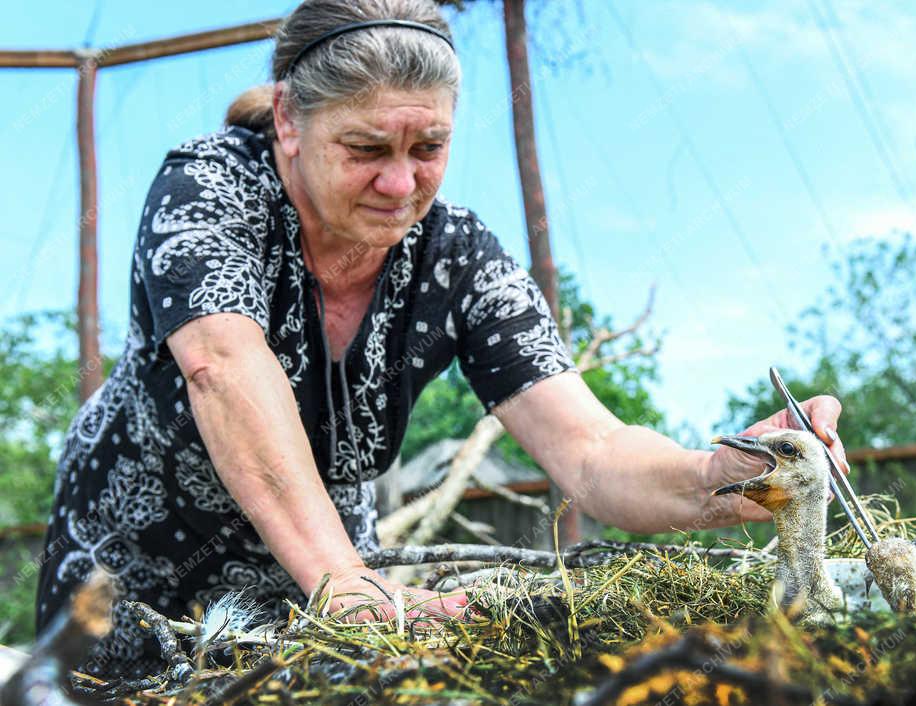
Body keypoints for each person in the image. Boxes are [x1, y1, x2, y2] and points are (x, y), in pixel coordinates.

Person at [35, 0, 849, 678]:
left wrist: (719, 474)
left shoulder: (457, 254)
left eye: (429, 148)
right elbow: (221, 365)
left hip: (327, 578)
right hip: (137, 573)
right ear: (288, 117)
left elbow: (593, 450)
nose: (401, 185)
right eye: (365, 149)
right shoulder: (208, 185)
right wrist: (345, 586)